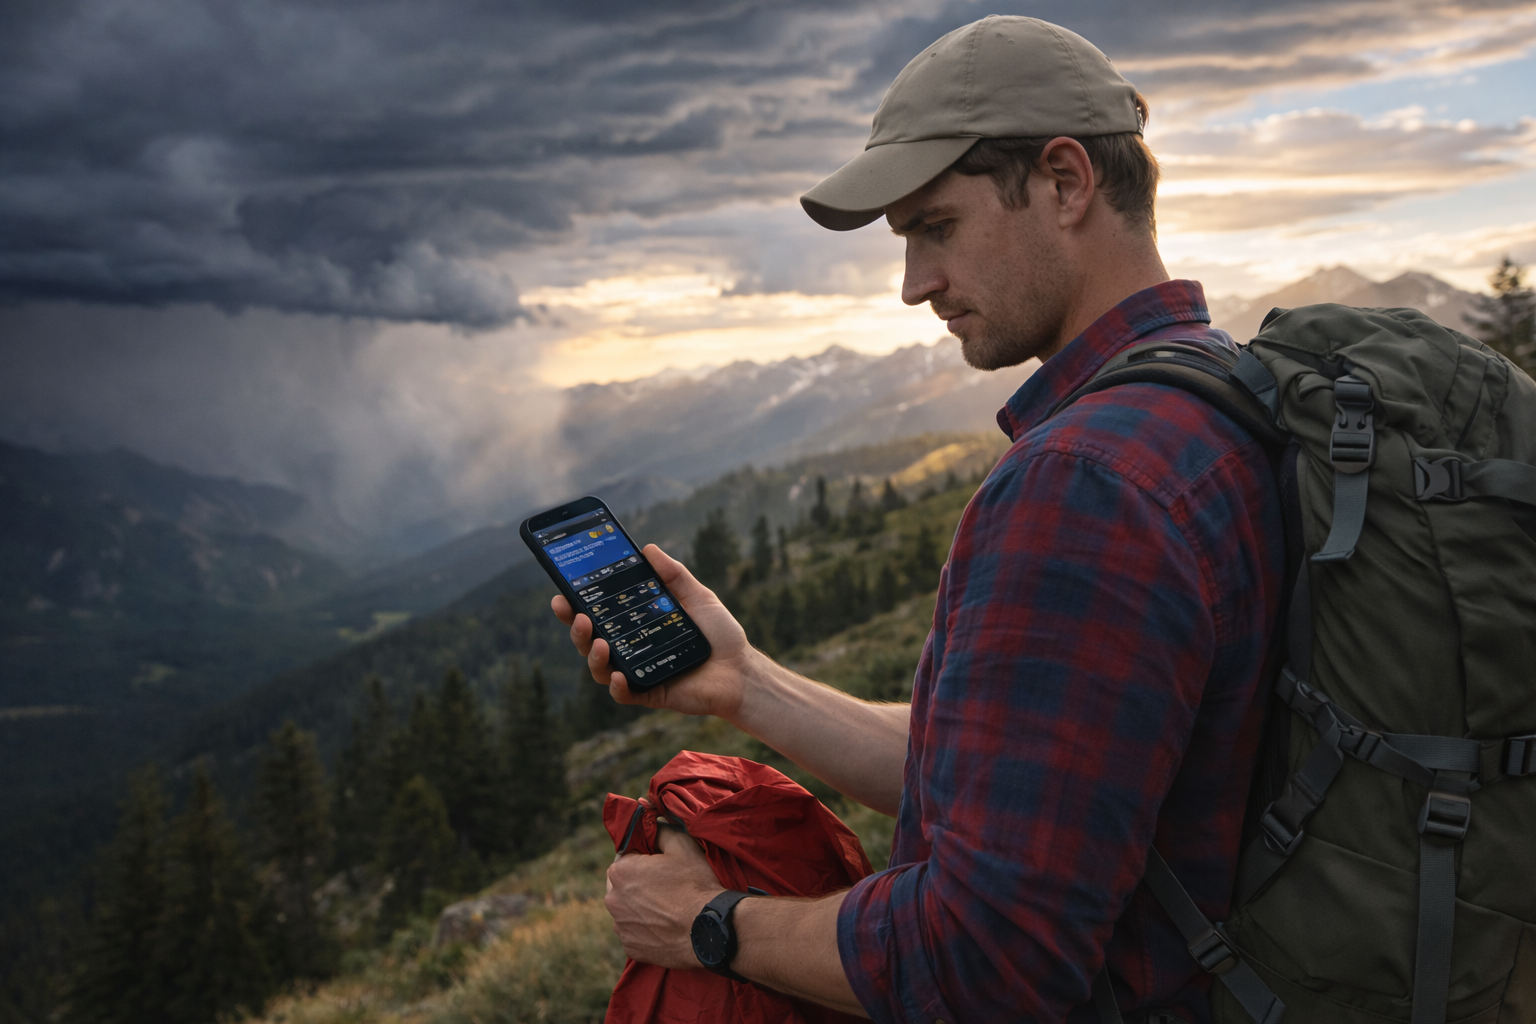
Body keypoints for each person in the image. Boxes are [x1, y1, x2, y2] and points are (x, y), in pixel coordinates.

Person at [552, 15, 1286, 1023]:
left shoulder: (1085, 483)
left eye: (934, 227)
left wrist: (707, 921)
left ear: (1067, 183)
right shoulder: (1224, 395)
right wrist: (746, 684)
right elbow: (1031, 777)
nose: (913, 287)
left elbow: (982, 966)